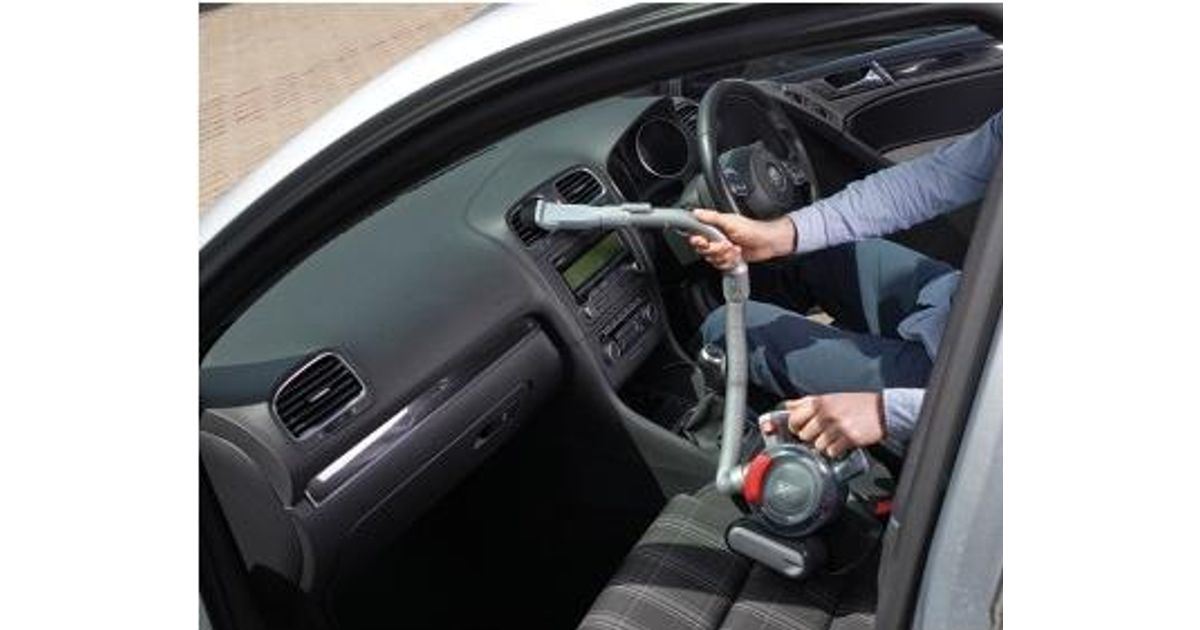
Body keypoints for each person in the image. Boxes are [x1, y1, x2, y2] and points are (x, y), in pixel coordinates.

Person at [689, 112, 1001, 458]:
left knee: (728, 329)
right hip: (963, 309)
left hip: (968, 390)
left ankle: (765, 460)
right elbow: (937, 178)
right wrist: (781, 235)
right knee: (819, 251)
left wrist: (888, 412)